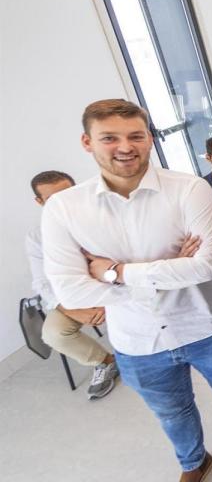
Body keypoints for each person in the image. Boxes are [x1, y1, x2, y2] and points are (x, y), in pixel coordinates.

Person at [41, 99, 212, 482]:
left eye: (135, 136)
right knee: (171, 411)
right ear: (87, 142)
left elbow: (202, 267)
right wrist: (162, 273)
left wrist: (112, 273)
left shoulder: (190, 189)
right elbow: (72, 291)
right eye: (109, 138)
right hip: (137, 339)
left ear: (149, 139)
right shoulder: (64, 209)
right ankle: (194, 461)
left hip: (204, 324)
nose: (125, 147)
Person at [28, 170, 119, 400]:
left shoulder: (106, 216)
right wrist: (72, 310)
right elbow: (41, 282)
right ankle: (106, 361)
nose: (64, 204)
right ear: (39, 202)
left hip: (114, 284)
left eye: (68, 194)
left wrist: (108, 299)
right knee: (54, 334)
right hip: (74, 296)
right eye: (52, 200)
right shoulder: (37, 237)